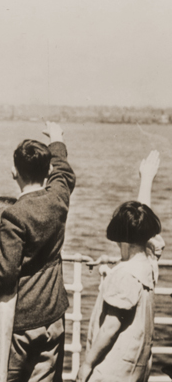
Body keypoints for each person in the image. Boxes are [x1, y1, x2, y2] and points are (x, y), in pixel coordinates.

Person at [0, 122, 76, 382]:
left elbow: (5, 273)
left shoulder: (14, 215)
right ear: (47, 171)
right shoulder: (59, 198)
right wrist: (57, 140)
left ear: (14, 172)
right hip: (54, 313)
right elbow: (64, 175)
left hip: (23, 320)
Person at [77, 151, 162, 382]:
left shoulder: (124, 276)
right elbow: (140, 222)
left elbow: (110, 329)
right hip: (136, 369)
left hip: (111, 371)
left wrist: (86, 365)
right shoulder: (148, 265)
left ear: (117, 236)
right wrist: (146, 179)